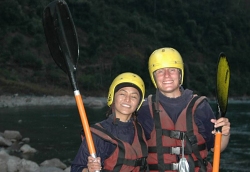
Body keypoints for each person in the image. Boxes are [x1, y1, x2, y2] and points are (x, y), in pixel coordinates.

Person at [137, 47, 231, 172]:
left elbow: (216, 148)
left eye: (172, 70)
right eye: (160, 71)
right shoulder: (144, 110)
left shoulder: (201, 107)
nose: (167, 75)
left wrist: (225, 133)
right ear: (153, 77)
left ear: (180, 74)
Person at [71, 72, 148, 172]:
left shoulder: (140, 130)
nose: (127, 99)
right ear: (113, 96)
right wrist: (88, 170)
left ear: (139, 102)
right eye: (122, 94)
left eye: (134, 96)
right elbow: (76, 168)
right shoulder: (97, 135)